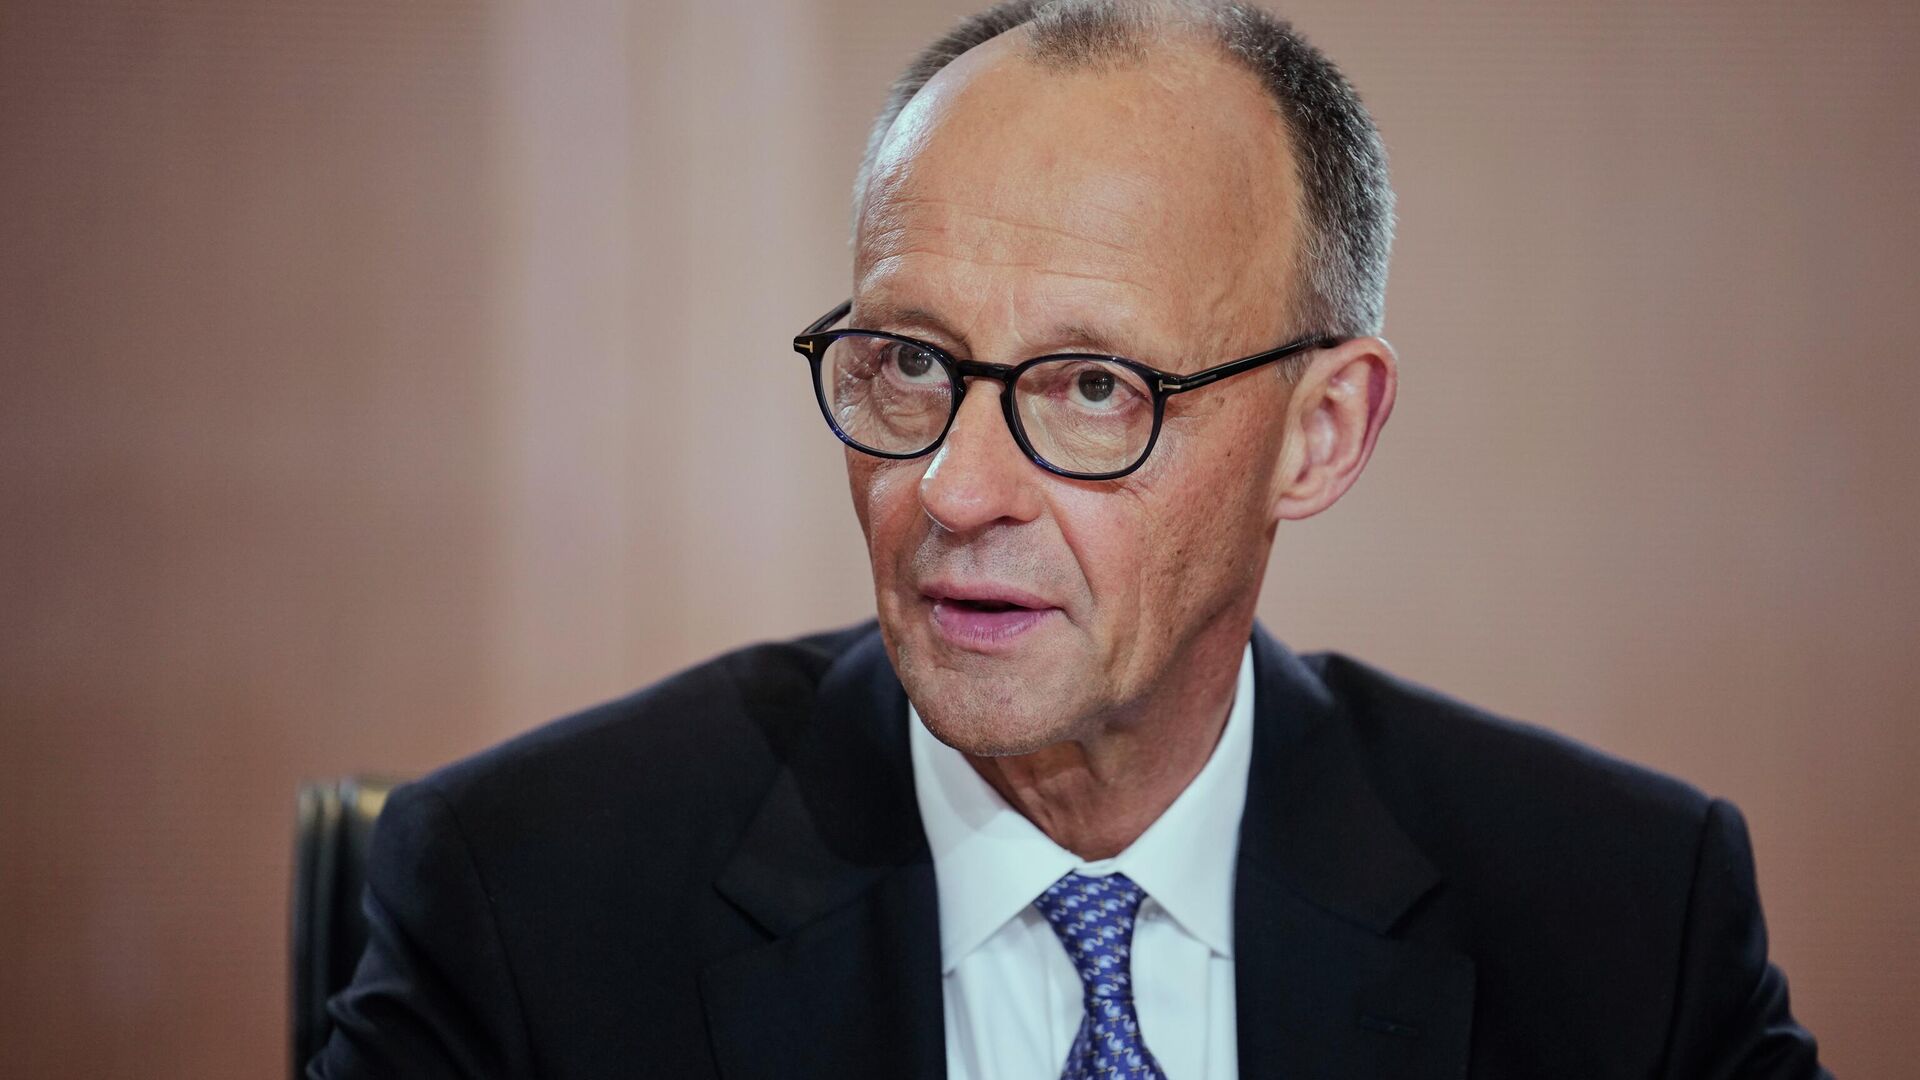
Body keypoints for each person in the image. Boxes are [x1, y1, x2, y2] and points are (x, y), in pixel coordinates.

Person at [310, 2, 1828, 1077]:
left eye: (1094, 388)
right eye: (910, 362)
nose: (955, 489)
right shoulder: (527, 902)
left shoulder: (1623, 921)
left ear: (1321, 433)